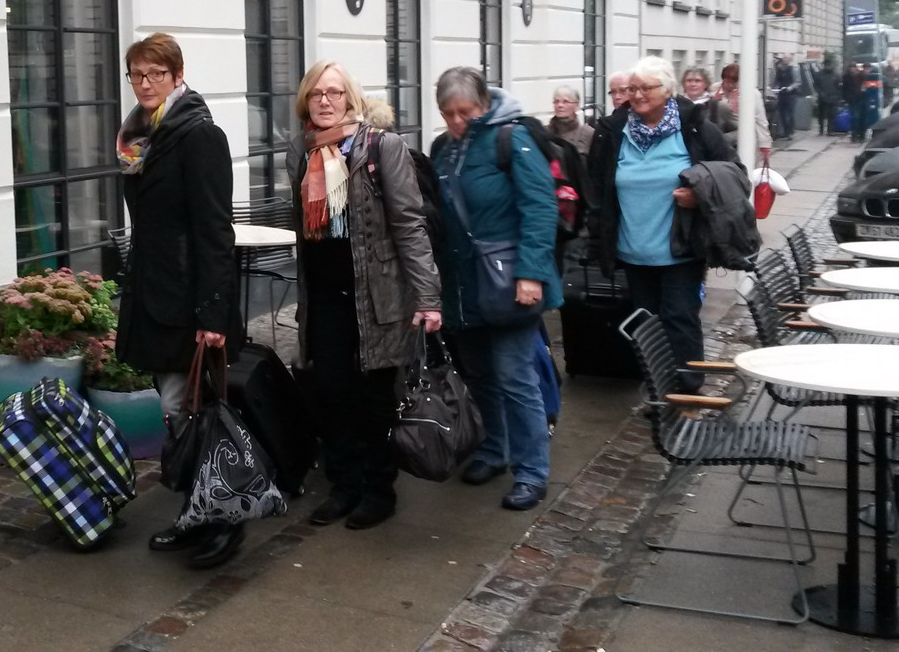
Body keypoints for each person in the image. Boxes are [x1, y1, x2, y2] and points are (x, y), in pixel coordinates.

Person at [288, 60, 441, 529]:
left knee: (373, 397)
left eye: (334, 93)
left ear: (351, 99)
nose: (326, 102)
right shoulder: (304, 151)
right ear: (305, 103)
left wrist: (428, 298)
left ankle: (379, 489)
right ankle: (343, 485)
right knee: (330, 392)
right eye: (317, 94)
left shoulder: (381, 146)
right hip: (325, 295)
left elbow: (409, 224)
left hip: (375, 295)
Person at [113, 33, 242, 567]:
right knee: (176, 412)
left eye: (154, 75)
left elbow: (216, 230)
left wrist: (213, 314)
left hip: (189, 301)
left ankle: (223, 522)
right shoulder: (140, 136)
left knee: (196, 413)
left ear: (176, 74)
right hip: (155, 293)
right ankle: (196, 511)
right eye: (137, 75)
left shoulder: (198, 134)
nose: (144, 84)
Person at [430, 67, 559, 511]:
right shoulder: (442, 150)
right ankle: (494, 449)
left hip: (509, 280)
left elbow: (540, 208)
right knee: (479, 374)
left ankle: (532, 471)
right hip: (464, 285)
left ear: (484, 105)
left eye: (465, 112)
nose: (457, 122)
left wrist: (532, 274)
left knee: (515, 377)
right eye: (448, 113)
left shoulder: (512, 139)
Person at [587, 57, 738, 393]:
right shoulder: (613, 132)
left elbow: (733, 174)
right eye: (632, 89)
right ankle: (657, 388)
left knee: (680, 318)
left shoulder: (694, 128)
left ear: (667, 90)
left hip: (681, 248)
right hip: (633, 249)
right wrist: (597, 241)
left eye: (646, 88)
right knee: (646, 324)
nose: (637, 95)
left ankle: (687, 392)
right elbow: (596, 188)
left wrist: (699, 194)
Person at [713, 62, 771, 158]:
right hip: (721, 130)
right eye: (727, 81)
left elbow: (760, 119)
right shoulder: (714, 90)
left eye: (734, 82)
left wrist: (765, 145)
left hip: (745, 134)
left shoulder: (752, 93)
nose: (730, 86)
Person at [681, 68, 735, 135]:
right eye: (689, 81)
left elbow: (740, 130)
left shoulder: (718, 106)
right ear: (683, 84)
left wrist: (722, 140)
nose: (693, 84)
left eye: (698, 81)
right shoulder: (676, 104)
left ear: (706, 84)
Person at [548, 86, 594, 155]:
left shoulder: (588, 133)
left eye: (565, 101)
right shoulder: (545, 132)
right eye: (556, 101)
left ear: (576, 106)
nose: (560, 105)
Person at [814, 55, 843, 135]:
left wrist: (838, 97)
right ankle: (821, 130)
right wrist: (820, 93)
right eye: (827, 65)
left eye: (829, 65)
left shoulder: (836, 75)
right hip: (822, 98)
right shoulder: (819, 75)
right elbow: (816, 86)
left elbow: (839, 87)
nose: (828, 66)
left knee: (831, 115)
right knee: (821, 115)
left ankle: (830, 130)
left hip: (832, 97)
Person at [772, 54, 798, 139]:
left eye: (786, 58)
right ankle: (785, 132)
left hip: (791, 95)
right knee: (782, 114)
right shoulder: (779, 69)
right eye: (783, 58)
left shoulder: (793, 69)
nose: (784, 60)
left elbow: (797, 82)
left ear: (790, 59)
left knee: (790, 114)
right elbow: (776, 80)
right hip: (781, 93)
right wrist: (775, 87)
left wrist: (790, 87)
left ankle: (791, 132)